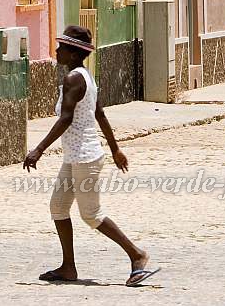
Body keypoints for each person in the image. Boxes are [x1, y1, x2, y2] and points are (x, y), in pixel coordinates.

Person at [23, 25, 158, 287]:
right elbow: (100, 114)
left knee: (91, 214)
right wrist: (115, 149)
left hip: (85, 157)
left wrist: (38, 149)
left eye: (62, 47)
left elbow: (66, 118)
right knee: (59, 207)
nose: (57, 50)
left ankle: (137, 255)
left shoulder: (74, 78)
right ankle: (68, 267)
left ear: (73, 54)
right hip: (76, 157)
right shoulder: (86, 76)